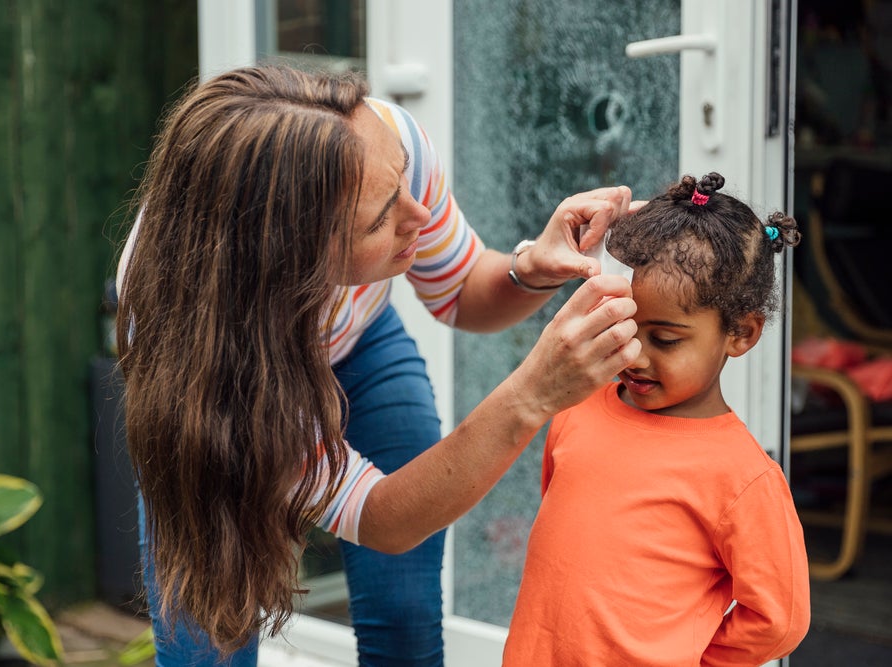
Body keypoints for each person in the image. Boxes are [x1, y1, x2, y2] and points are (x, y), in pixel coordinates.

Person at [115, 64, 641, 667]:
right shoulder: (186, 333)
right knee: (205, 640)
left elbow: (461, 288)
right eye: (381, 216)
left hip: (360, 347)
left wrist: (532, 268)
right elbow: (381, 516)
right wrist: (534, 392)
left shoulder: (384, 142)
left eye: (403, 182)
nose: (418, 214)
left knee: (406, 615)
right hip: (226, 391)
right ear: (290, 255)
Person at [503, 172, 812, 666]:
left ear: (741, 332)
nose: (635, 354)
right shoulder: (577, 406)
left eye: (665, 339)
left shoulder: (742, 477)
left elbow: (780, 616)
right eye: (621, 323)